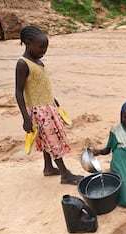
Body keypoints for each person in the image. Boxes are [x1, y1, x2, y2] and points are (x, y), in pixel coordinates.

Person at [15, 26, 83, 185]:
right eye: (41, 47)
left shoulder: (38, 61)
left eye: (46, 47)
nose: (44, 51)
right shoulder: (22, 64)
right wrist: (26, 118)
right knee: (53, 140)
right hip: (38, 111)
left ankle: (48, 167)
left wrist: (53, 99)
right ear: (28, 43)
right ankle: (65, 174)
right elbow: (18, 92)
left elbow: (40, 84)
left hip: (48, 107)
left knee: (46, 139)